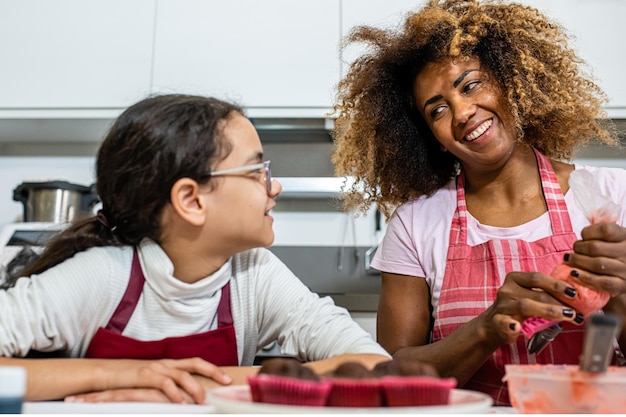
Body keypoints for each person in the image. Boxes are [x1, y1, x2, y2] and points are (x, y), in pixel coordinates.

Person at [0, 94, 391, 404]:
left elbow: (375, 369)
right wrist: (117, 374)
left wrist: (195, 386)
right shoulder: (104, 274)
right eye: (257, 172)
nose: (274, 187)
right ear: (191, 200)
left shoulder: (254, 275)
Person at [331, 0, 626, 406]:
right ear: (431, 136)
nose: (463, 113)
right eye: (438, 110)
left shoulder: (613, 195)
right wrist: (487, 327)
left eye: (471, 86)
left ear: (510, 81)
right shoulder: (416, 223)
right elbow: (394, 374)